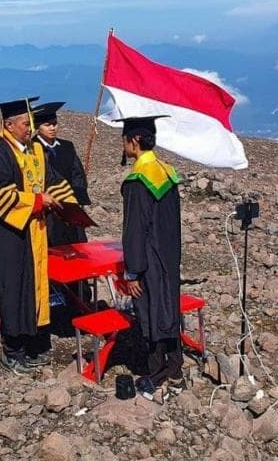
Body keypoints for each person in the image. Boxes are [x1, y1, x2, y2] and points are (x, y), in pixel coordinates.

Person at [0, 97, 79, 374]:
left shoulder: (34, 150)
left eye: (31, 123)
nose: (30, 128)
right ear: (8, 124)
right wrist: (38, 202)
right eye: (25, 124)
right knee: (14, 291)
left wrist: (70, 207)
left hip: (34, 232)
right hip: (8, 236)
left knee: (34, 290)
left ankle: (32, 346)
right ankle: (11, 352)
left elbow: (53, 181)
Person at [117, 115, 185, 398]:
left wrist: (132, 271)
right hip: (168, 255)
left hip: (148, 260)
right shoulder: (167, 172)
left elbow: (134, 230)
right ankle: (176, 366)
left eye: (124, 140)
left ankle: (156, 373)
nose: (123, 145)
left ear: (134, 141)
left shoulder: (137, 180)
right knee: (168, 307)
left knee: (151, 311)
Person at [31, 101, 91, 246]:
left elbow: (78, 174)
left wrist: (75, 197)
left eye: (55, 123)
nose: (52, 128)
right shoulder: (32, 149)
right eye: (47, 124)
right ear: (38, 127)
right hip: (48, 210)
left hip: (70, 206)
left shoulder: (67, 146)